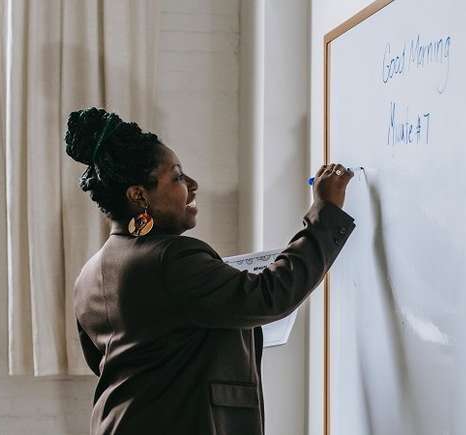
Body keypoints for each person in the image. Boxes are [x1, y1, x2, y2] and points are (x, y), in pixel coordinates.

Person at [65, 107, 356, 435]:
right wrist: (325, 212)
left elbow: (122, 361)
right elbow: (270, 295)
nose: (192, 184)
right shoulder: (170, 258)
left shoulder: (88, 276)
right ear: (139, 195)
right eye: (176, 177)